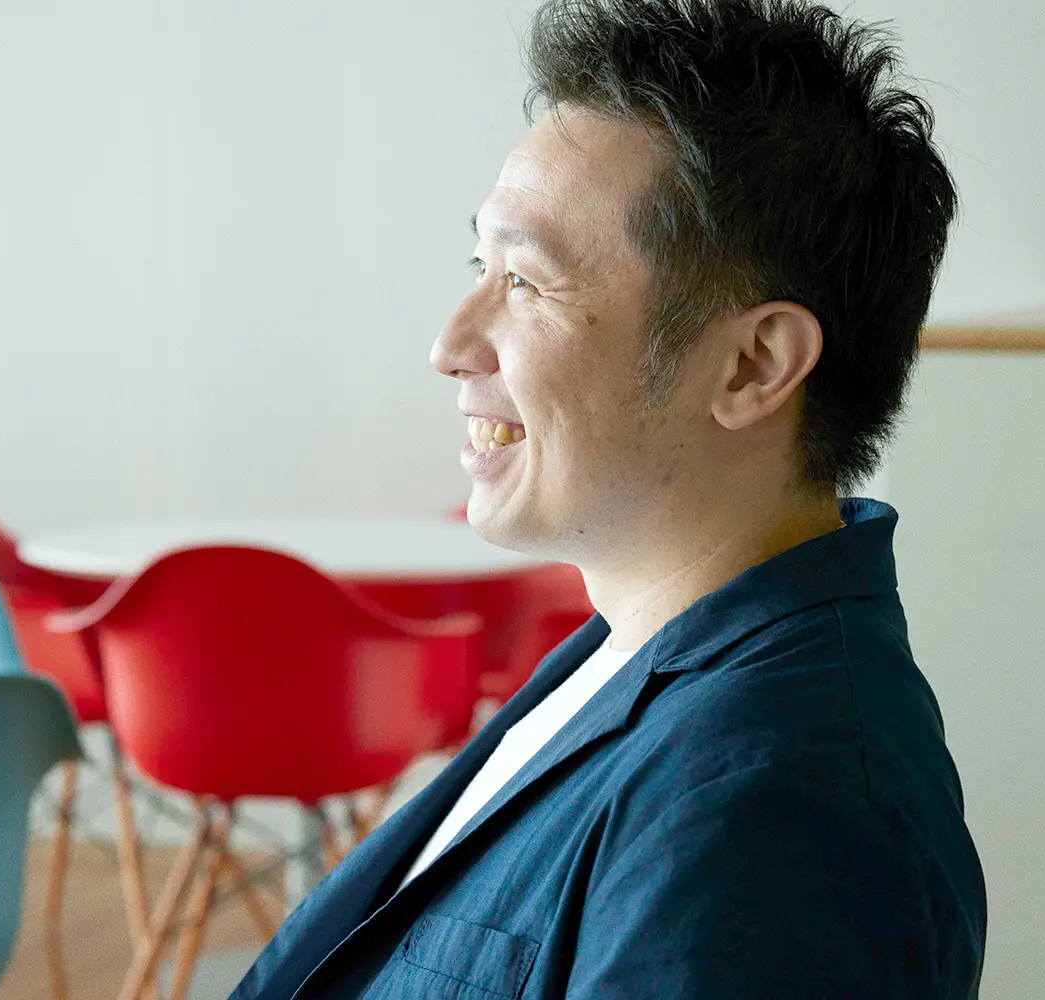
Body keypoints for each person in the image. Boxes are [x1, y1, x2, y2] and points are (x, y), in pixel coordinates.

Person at [231, 0, 985, 996]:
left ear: (752, 364)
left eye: (527, 283)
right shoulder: (630, 655)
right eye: (480, 267)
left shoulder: (776, 807)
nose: (450, 345)